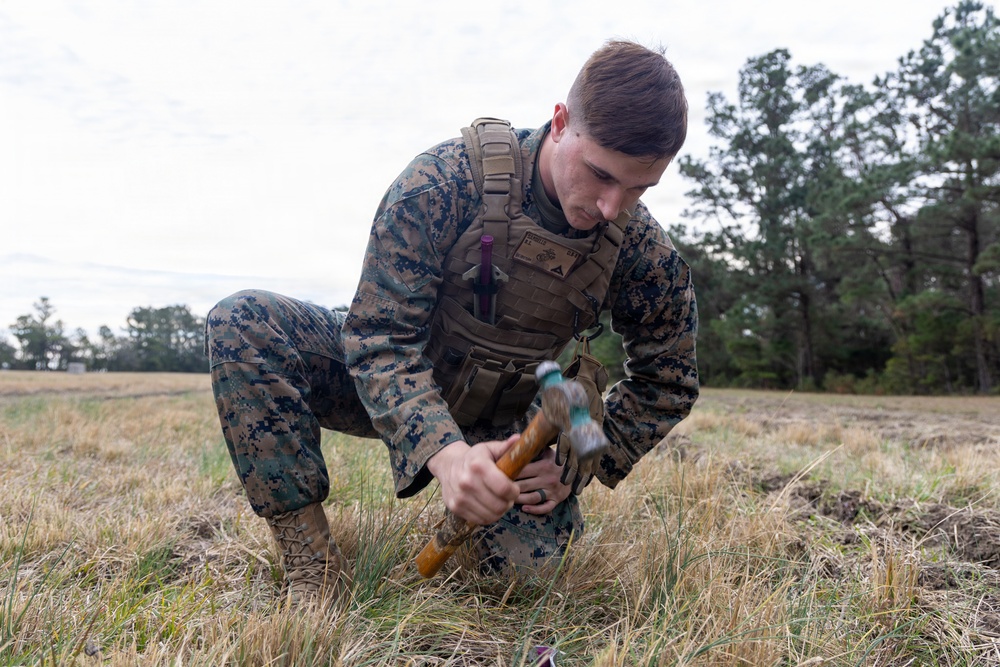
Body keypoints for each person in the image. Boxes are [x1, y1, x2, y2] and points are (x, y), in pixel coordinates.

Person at [205, 39, 698, 607]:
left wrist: (582, 461)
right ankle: (310, 563)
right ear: (560, 123)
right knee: (242, 322)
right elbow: (379, 340)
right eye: (600, 175)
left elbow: (669, 382)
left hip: (511, 421)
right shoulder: (444, 183)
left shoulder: (641, 249)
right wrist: (447, 455)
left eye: (639, 188)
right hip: (400, 381)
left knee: (521, 579)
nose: (613, 205)